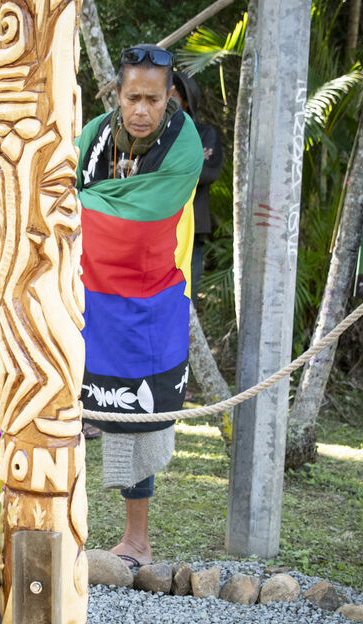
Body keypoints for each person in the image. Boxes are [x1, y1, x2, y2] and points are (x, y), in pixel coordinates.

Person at [76, 44, 202, 570]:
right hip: (88, 291)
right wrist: (91, 204)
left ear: (170, 96)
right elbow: (59, 191)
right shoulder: (94, 134)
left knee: (139, 411)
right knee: (66, 407)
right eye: (133, 98)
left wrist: (84, 205)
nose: (142, 110)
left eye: (154, 99)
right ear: (117, 94)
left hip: (153, 291)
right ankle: (63, 522)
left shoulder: (184, 142)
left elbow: (138, 219)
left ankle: (137, 539)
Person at [170, 70, 224, 300]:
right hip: (157, 225)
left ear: (186, 100)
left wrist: (168, 167)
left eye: (172, 94)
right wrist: (190, 160)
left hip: (192, 230)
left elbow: (208, 172)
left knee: (186, 299)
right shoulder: (151, 135)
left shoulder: (204, 133)